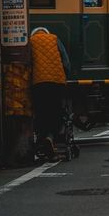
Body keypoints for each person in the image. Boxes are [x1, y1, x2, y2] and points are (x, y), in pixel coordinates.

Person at [30, 27, 71, 160]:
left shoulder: (30, 41)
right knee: (56, 111)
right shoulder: (54, 38)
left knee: (41, 111)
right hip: (57, 82)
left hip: (39, 83)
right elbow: (65, 60)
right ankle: (52, 136)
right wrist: (66, 75)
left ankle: (43, 137)